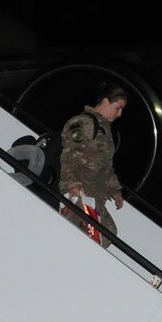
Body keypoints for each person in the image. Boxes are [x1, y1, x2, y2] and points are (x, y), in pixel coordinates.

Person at [59, 83, 128, 243]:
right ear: (105, 102)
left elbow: (106, 165)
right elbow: (70, 155)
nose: (120, 114)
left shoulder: (105, 129)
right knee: (97, 236)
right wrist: (73, 185)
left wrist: (115, 189)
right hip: (80, 192)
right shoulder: (81, 123)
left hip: (94, 194)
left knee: (105, 234)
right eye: (118, 108)